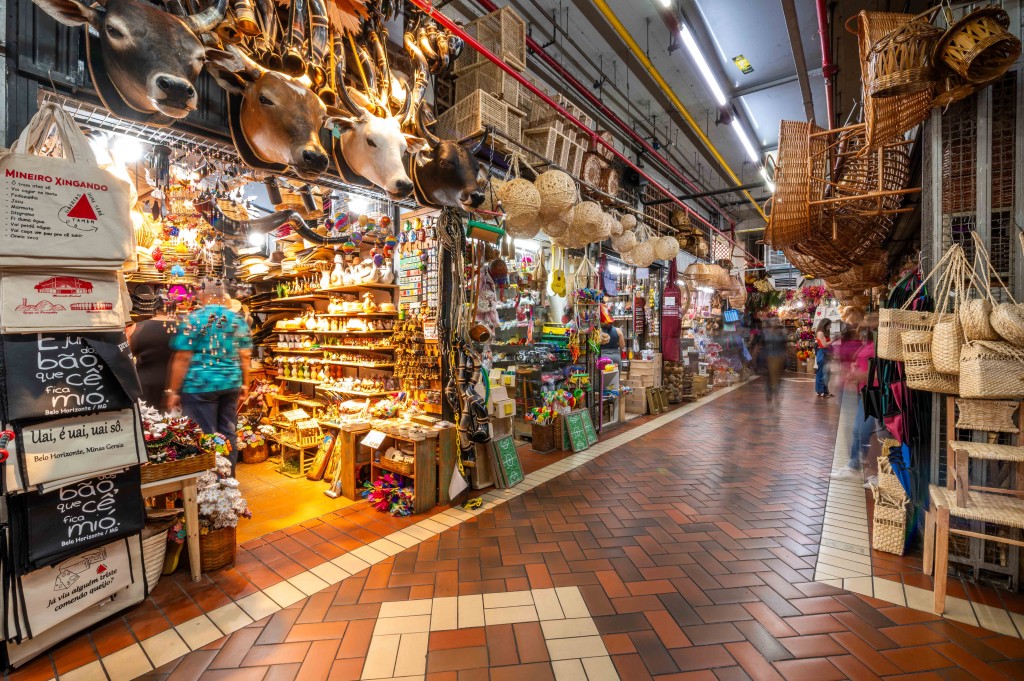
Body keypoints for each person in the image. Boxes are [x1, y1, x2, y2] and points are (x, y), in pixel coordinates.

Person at [166, 281, 252, 473]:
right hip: (230, 384)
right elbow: (245, 355)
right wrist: (245, 384)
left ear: (204, 296)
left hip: (199, 386)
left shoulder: (195, 319)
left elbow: (182, 357)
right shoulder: (237, 320)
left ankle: (207, 486)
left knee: (202, 435)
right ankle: (227, 480)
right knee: (227, 433)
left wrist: (173, 390)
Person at [832, 326, 878, 480]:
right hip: (864, 391)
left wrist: (859, 374)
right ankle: (856, 466)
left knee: (863, 430)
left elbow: (878, 373)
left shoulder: (877, 347)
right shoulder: (868, 345)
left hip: (874, 393)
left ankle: (865, 469)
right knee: (859, 430)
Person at [129, 313, 176, 409]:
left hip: (145, 381)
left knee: (147, 419)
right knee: (176, 421)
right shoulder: (183, 327)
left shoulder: (136, 327)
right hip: (174, 382)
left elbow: (127, 355)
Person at [762, 318, 787, 401]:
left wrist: (786, 356)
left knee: (778, 375)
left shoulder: (781, 332)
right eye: (773, 321)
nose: (775, 323)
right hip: (768, 356)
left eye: (777, 321)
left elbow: (785, 345)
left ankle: (776, 391)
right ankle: (769, 391)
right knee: (769, 376)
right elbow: (760, 344)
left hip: (779, 356)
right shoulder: (765, 332)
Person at [814, 318, 834, 398]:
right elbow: (824, 345)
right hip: (822, 353)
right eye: (829, 325)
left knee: (827, 373)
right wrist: (834, 340)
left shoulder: (825, 333)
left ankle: (825, 391)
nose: (830, 326)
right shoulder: (820, 333)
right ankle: (820, 391)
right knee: (822, 373)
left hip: (826, 353)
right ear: (825, 325)